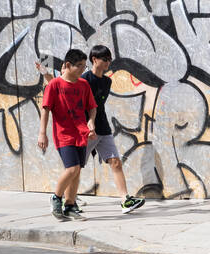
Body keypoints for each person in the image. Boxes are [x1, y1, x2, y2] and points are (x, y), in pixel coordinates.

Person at [82, 45, 146, 214]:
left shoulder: (107, 81)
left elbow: (98, 105)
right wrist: (87, 127)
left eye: (110, 59)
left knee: (115, 162)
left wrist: (96, 124)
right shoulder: (83, 81)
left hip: (103, 128)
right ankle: (65, 199)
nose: (109, 62)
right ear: (95, 60)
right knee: (75, 166)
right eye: (105, 59)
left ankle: (125, 200)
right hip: (85, 130)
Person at [37, 47, 96, 221]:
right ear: (68, 65)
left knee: (77, 172)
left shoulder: (84, 85)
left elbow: (92, 107)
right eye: (80, 66)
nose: (83, 70)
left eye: (85, 66)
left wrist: (91, 122)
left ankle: (70, 205)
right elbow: (45, 110)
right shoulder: (54, 85)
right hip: (63, 134)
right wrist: (42, 133)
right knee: (72, 168)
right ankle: (56, 197)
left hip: (81, 134)